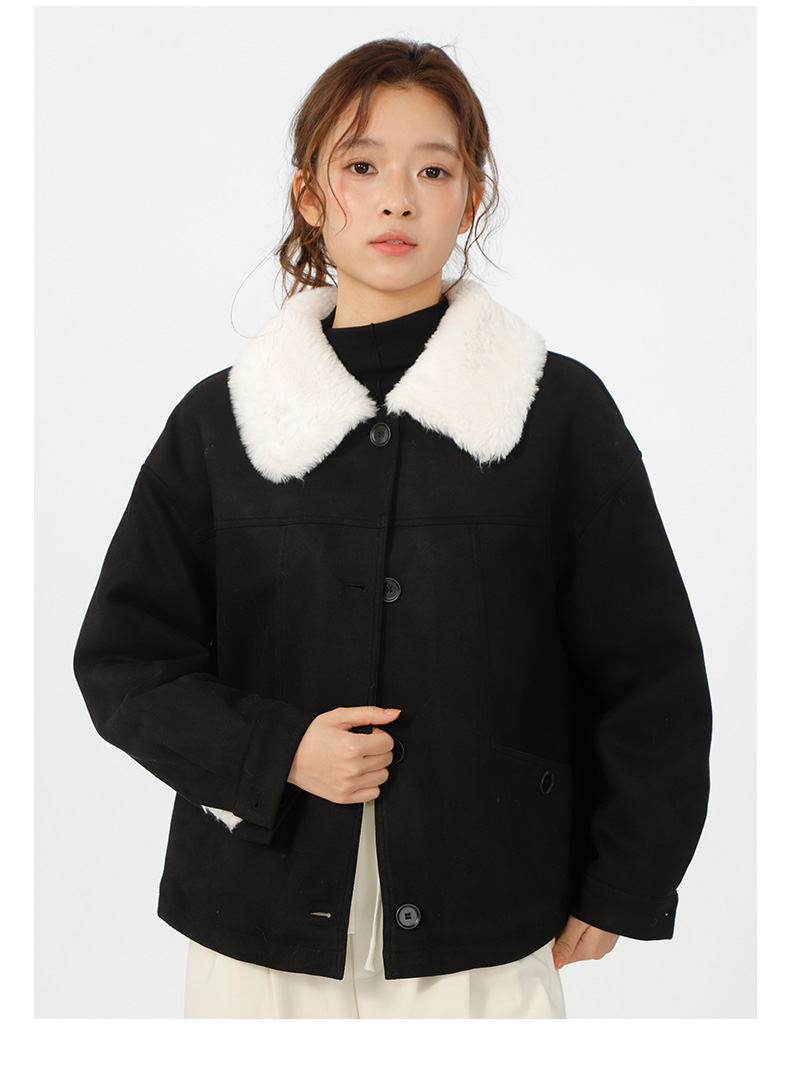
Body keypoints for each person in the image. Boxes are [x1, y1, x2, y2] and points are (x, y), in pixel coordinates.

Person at [73, 38, 712, 1019]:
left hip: (490, 916)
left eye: (433, 171)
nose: (398, 200)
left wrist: (628, 874)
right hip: (257, 922)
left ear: (471, 197)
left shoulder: (557, 413)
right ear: (310, 195)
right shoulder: (221, 421)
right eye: (362, 166)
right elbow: (125, 661)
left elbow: (647, 668)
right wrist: (277, 751)